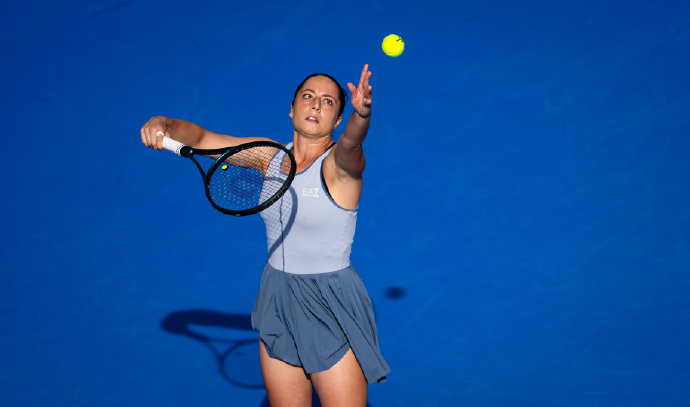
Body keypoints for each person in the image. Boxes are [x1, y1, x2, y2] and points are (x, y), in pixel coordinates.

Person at [140, 64, 389, 407]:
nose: (316, 104)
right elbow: (200, 139)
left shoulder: (339, 166)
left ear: (336, 120)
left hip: (329, 300)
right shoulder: (268, 156)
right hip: (277, 295)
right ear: (292, 109)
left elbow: (352, 143)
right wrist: (164, 124)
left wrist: (362, 116)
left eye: (328, 101)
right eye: (308, 96)